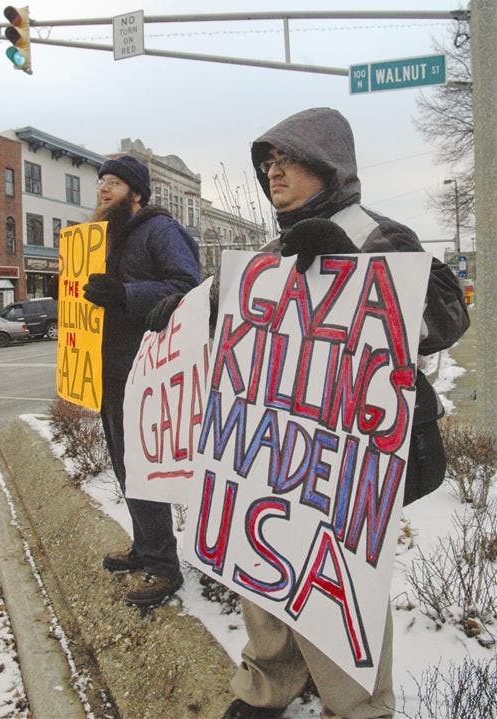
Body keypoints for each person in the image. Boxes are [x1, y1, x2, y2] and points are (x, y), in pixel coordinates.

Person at [146, 108, 470, 719]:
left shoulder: (382, 233)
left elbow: (446, 320)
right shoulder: (267, 252)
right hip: (272, 451)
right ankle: (268, 684)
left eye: (286, 160)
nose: (273, 173)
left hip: (349, 458)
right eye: (267, 163)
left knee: (340, 580)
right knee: (262, 567)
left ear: (326, 164)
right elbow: (224, 318)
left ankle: (359, 706)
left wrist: (351, 263)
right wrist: (178, 309)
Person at [83, 154, 201, 609]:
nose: (103, 189)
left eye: (113, 182)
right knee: (125, 468)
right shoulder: (102, 239)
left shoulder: (160, 230)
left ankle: (163, 567)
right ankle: (144, 545)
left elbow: (187, 286)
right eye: (100, 182)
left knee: (145, 472)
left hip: (147, 372)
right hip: (110, 372)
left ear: (136, 192)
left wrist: (125, 294)